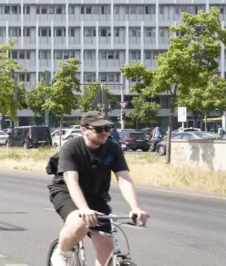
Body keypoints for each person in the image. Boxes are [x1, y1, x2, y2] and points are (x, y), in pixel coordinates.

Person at [47, 112, 150, 266]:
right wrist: (83, 209)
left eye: (107, 128)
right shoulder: (71, 147)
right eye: (99, 129)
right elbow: (71, 180)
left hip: (95, 195)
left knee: (107, 244)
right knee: (79, 223)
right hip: (66, 191)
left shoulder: (113, 148)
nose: (104, 132)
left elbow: (123, 178)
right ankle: (61, 253)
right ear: (84, 130)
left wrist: (135, 208)